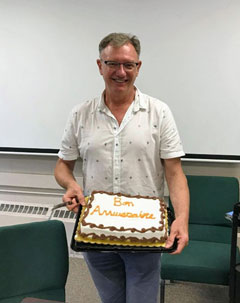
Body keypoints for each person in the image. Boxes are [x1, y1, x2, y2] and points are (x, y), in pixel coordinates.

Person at [54, 32, 189, 303]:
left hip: (146, 235)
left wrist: (182, 219)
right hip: (95, 232)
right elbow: (62, 166)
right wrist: (70, 184)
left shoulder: (158, 112)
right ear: (99, 65)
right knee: (111, 299)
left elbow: (175, 173)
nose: (121, 72)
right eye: (112, 63)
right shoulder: (80, 114)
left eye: (129, 64)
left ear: (138, 67)